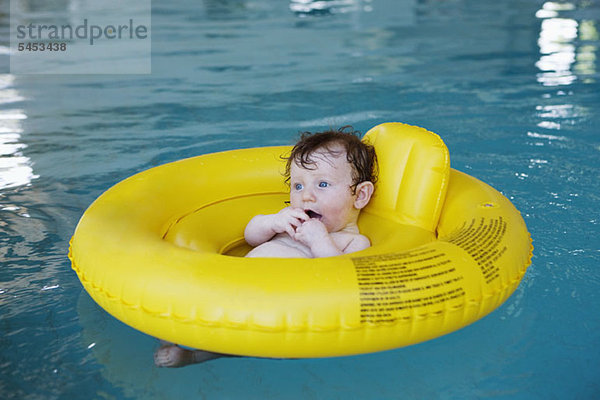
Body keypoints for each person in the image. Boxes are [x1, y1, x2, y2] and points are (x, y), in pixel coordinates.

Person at [154, 126, 378, 367]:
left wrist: (319, 241)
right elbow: (251, 237)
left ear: (360, 195)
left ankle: (197, 355)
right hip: (240, 281)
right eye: (298, 186)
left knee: (252, 343)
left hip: (280, 307)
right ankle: (179, 328)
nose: (306, 197)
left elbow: (343, 280)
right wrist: (271, 222)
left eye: (322, 184)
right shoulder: (290, 218)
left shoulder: (354, 241)